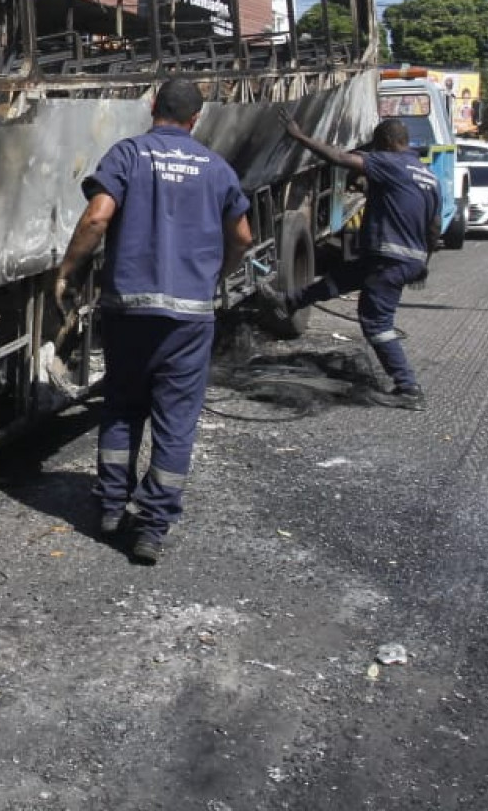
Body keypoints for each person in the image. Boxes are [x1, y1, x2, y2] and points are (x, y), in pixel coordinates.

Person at [53, 78, 252, 565]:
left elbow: (97, 217)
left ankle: (110, 508)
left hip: (130, 310)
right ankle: (152, 527)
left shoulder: (129, 155)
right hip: (189, 318)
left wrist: (68, 271)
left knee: (122, 406)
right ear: (196, 119)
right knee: (175, 421)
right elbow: (243, 238)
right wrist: (216, 274)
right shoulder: (216, 168)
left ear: (151, 106)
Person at [259, 114, 439, 409]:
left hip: (389, 259)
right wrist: (423, 264)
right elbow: (433, 227)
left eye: (376, 147)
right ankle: (288, 301)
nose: (374, 153)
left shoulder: (391, 162)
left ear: (387, 143)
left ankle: (408, 388)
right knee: (341, 278)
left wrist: (299, 136)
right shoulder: (428, 176)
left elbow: (340, 158)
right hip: (402, 258)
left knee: (376, 321)